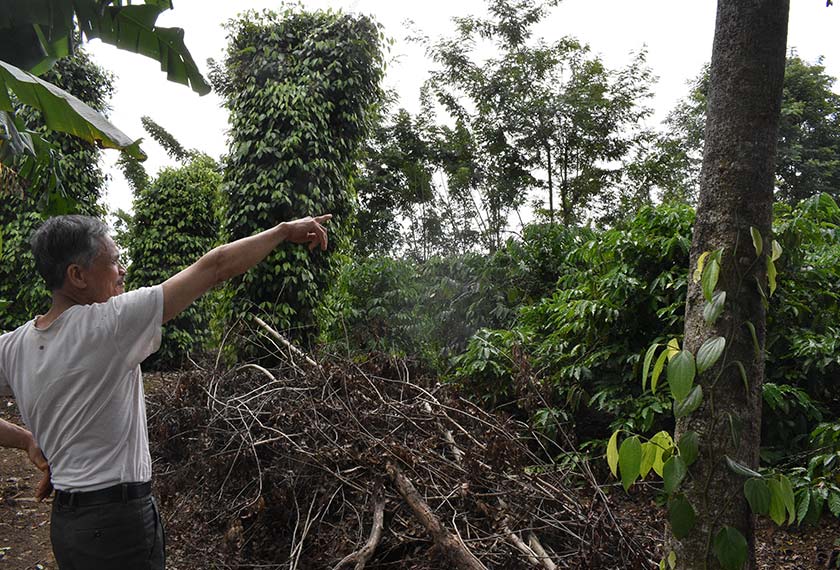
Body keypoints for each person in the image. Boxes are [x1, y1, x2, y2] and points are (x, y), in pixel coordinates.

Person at [0, 213, 331, 569]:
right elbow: (214, 266)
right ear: (77, 276)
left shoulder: (13, 346)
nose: (122, 270)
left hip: (67, 526)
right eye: (112, 261)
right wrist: (282, 230)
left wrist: (26, 440)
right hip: (118, 526)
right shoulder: (108, 324)